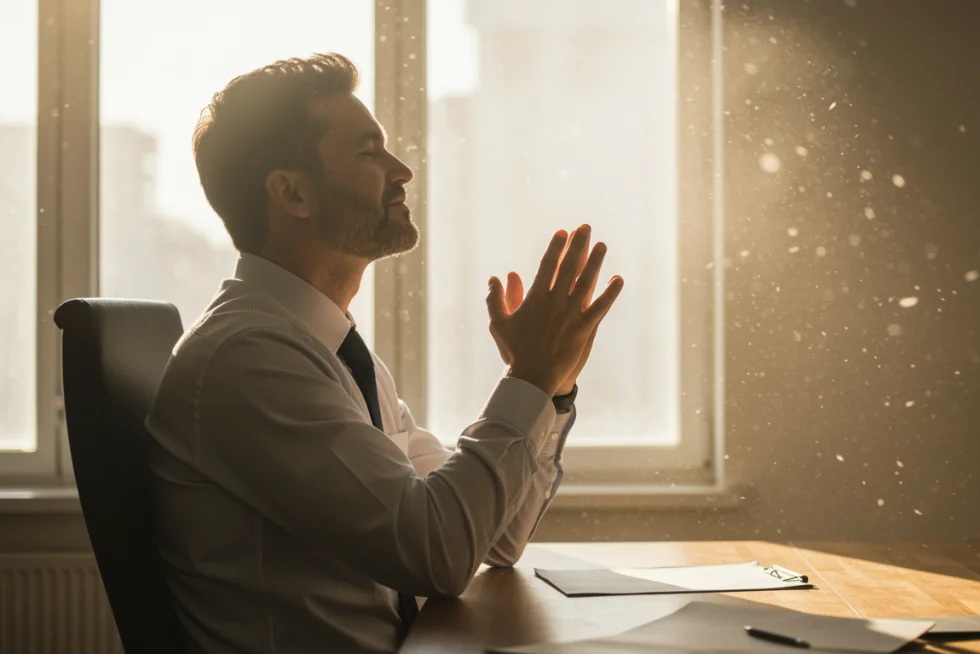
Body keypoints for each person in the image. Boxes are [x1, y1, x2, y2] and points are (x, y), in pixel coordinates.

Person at [145, 53, 622, 654]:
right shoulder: (250, 360)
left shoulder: (329, 350)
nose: (402, 172)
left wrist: (548, 388)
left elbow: (489, 540)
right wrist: (528, 377)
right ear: (292, 192)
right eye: (370, 153)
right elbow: (439, 555)